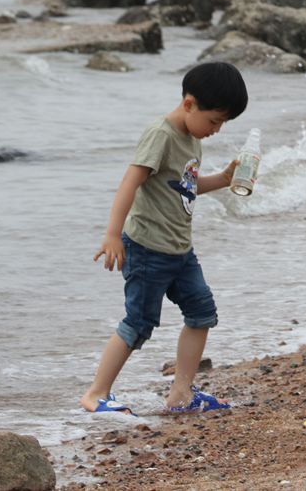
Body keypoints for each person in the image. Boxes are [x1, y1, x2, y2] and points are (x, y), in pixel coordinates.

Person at [79, 62, 249, 414]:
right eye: (214, 121)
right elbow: (131, 182)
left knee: (202, 312)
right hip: (146, 250)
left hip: (179, 251)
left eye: (223, 123)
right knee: (138, 323)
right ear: (189, 104)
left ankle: (181, 393)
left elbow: (186, 187)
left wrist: (224, 178)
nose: (216, 130)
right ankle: (95, 394)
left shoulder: (191, 137)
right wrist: (112, 234)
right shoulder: (161, 134)